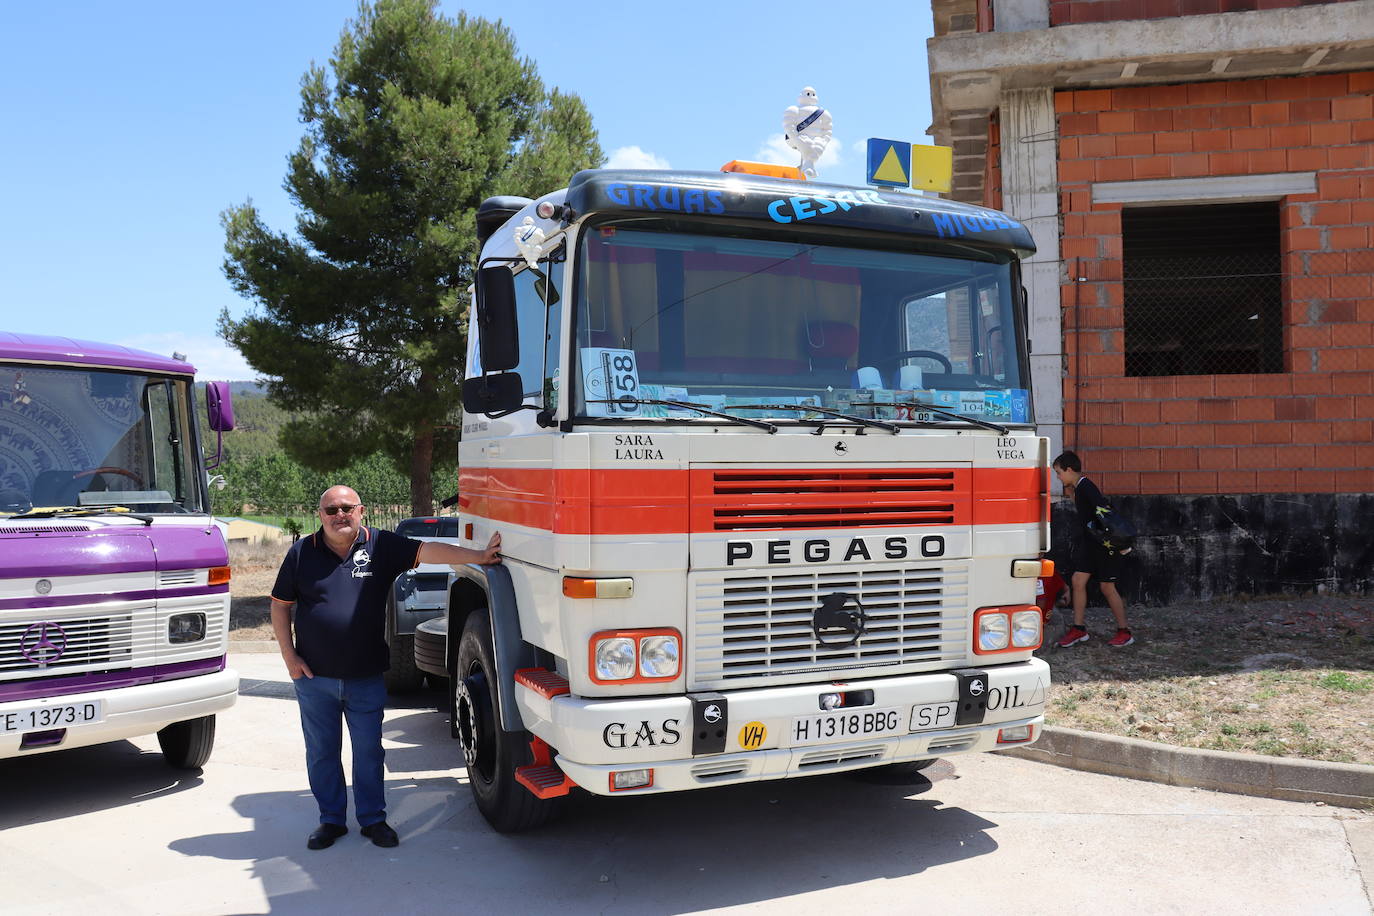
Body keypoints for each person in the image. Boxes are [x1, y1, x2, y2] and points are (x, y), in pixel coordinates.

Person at [270, 485, 502, 850]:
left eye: (347, 508)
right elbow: (280, 604)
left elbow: (430, 551)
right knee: (321, 753)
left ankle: (373, 820)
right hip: (315, 679)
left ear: (360, 511)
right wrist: (290, 657)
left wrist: (478, 556)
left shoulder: (381, 545)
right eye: (331, 510)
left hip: (365, 677)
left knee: (369, 752)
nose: (339, 515)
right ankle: (330, 821)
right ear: (320, 515)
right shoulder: (302, 553)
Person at [1051, 451, 1134, 648]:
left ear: (1070, 470)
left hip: (1104, 547)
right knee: (1077, 581)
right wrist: (1072, 497)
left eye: (1059, 472)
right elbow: (1088, 512)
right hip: (1089, 545)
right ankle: (1079, 629)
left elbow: (1105, 511)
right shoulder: (1078, 488)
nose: (1058, 477)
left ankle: (1125, 632)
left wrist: (1119, 542)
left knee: (1107, 587)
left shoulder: (1086, 486)